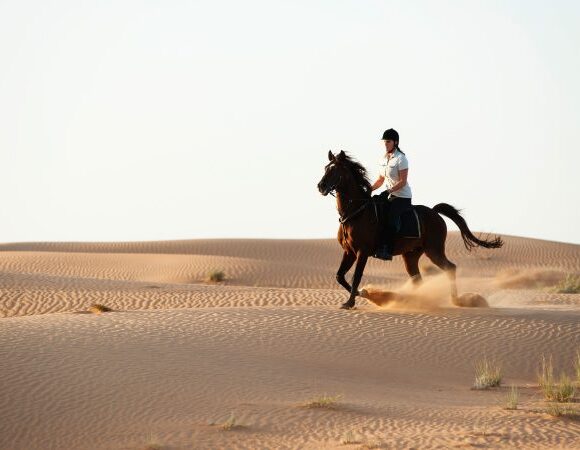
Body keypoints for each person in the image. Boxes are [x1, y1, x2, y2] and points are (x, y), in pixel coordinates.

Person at [370, 128, 412, 260]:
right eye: (384, 142)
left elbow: (403, 182)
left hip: (402, 197)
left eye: (388, 141)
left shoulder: (401, 159)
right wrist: (369, 189)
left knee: (391, 217)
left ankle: (387, 249)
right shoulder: (383, 159)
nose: (385, 144)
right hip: (389, 195)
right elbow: (380, 180)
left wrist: (388, 191)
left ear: (396, 142)